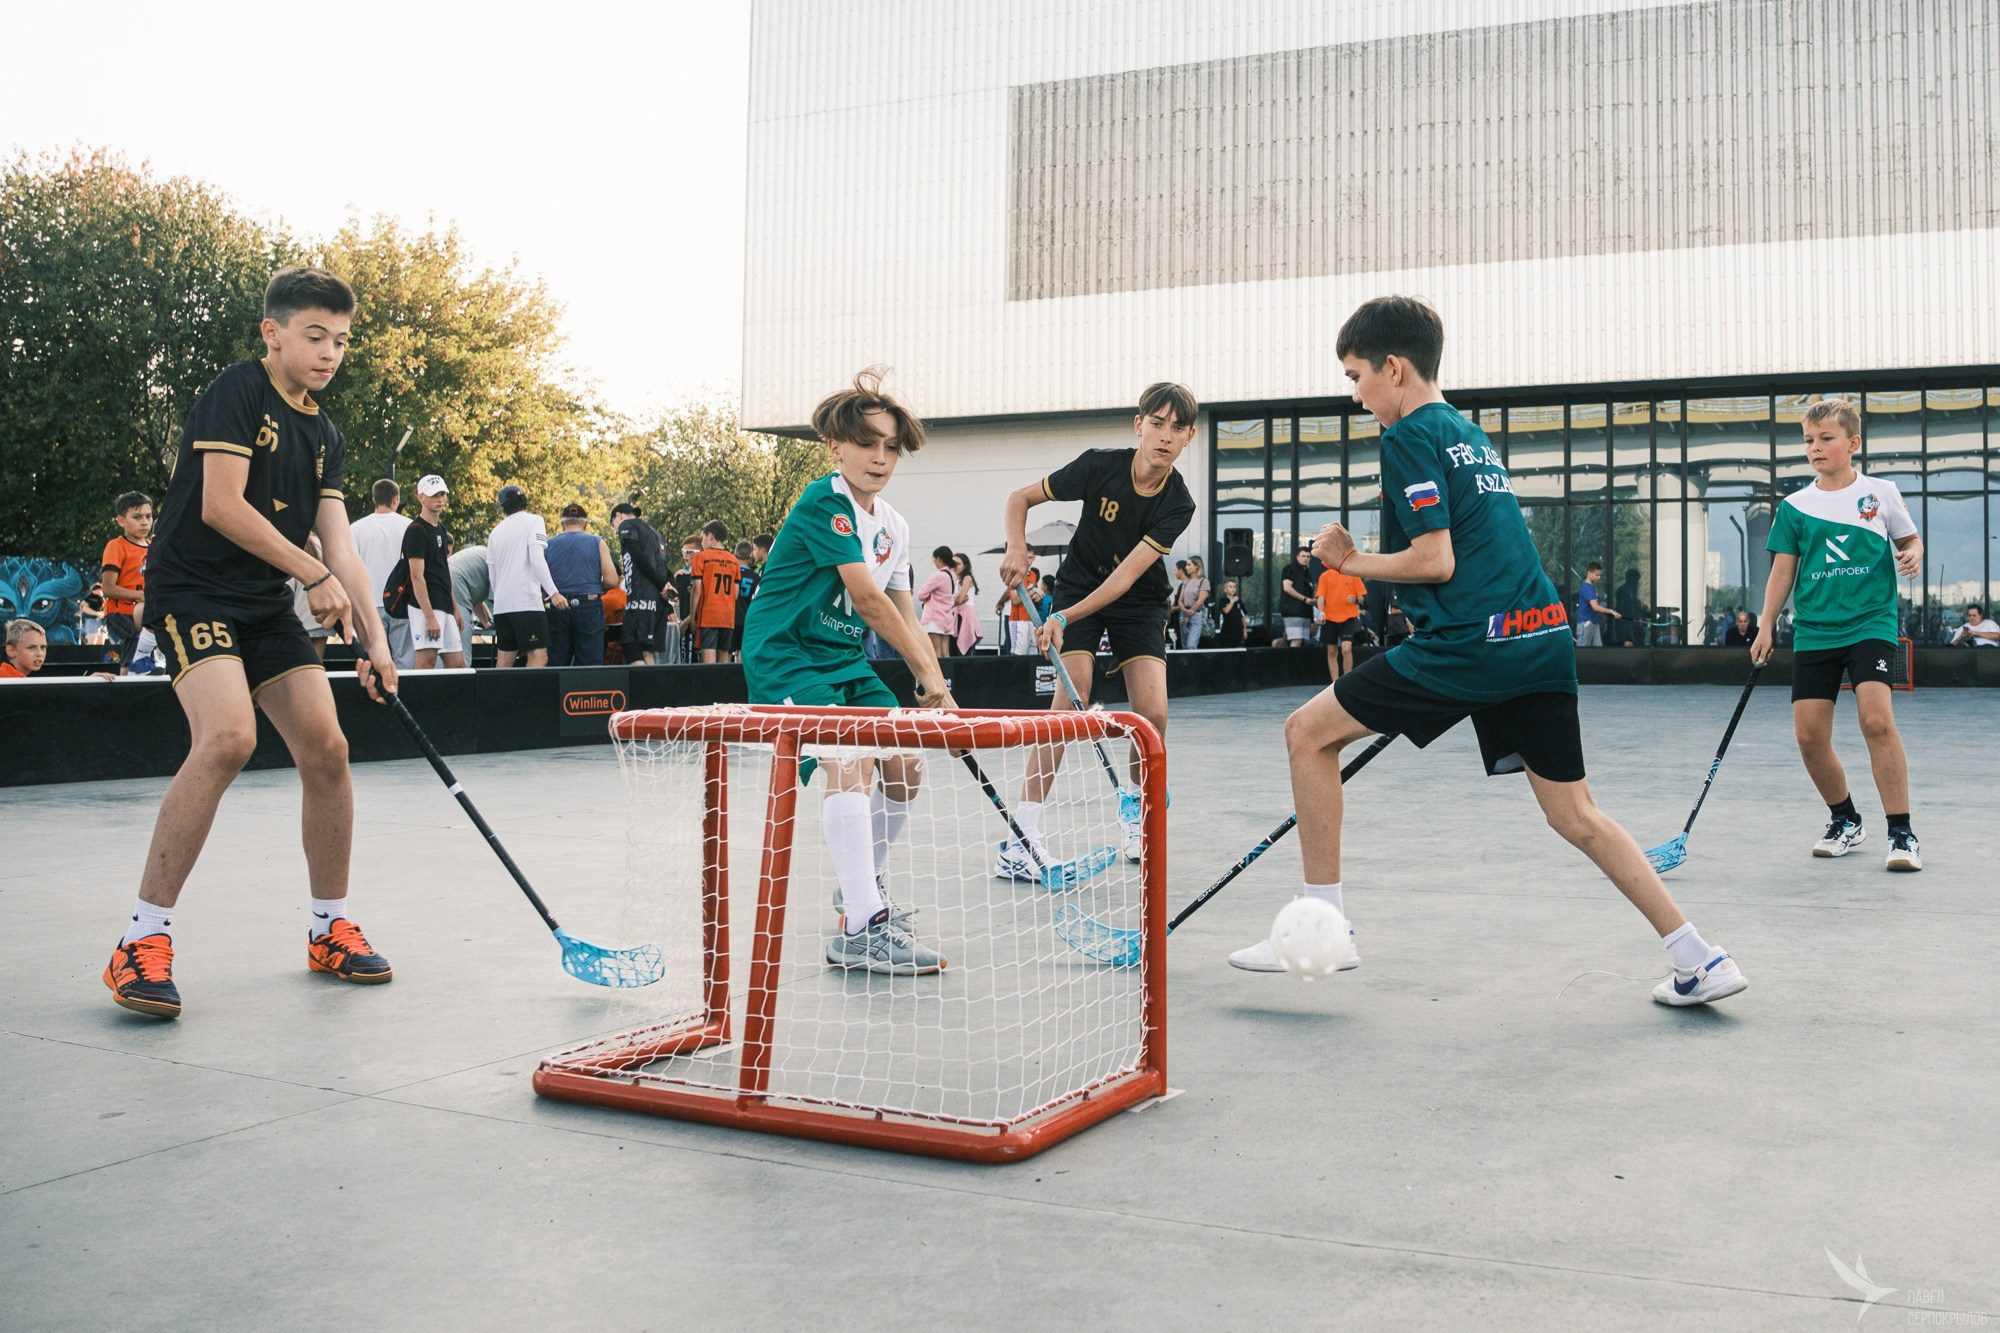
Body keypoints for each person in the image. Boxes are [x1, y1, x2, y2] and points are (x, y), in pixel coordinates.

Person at [1229, 295, 1745, 1006]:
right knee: (1576, 814)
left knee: (1306, 733)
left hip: (1472, 646)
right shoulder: (1468, 433)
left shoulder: (1408, 435)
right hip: (1540, 639)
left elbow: (1435, 560)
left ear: (1395, 368)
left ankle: (1325, 927)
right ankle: (1700, 956)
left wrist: (1349, 561)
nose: (1356, 395)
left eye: (1357, 377)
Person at [103, 265, 397, 1020]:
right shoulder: (237, 390)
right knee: (228, 736)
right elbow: (221, 505)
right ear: (273, 333)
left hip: (263, 604)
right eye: (314, 336)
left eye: (340, 340)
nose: (330, 353)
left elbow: (342, 545)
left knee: (327, 750)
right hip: (194, 589)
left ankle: (329, 927)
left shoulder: (325, 434)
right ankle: (141, 938)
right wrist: (311, 574)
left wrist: (376, 641)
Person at [740, 368, 956, 974]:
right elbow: (868, 601)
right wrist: (929, 677)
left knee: (906, 766)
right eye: (867, 443)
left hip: (842, 658)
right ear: (836, 446)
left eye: (890, 447)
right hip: (786, 655)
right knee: (850, 759)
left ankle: (860, 887)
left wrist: (933, 683)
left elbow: (906, 610)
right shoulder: (822, 502)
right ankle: (862, 929)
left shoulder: (894, 525)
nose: (880, 457)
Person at [996, 382, 1198, 870]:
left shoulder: (1178, 503)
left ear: (1189, 437)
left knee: (1153, 714)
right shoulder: (1098, 465)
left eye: (1177, 428)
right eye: (1156, 423)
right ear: (1139, 425)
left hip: (1139, 601)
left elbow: (1128, 575)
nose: (1165, 436)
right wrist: (1016, 546)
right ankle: (1019, 840)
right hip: (1079, 583)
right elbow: (1018, 498)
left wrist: (1063, 616)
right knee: (1070, 698)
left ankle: (1134, 816)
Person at [1752, 397, 1924, 872]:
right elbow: (1782, 573)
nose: (1815, 448)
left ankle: (1902, 834)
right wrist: (1766, 624)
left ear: (1853, 443)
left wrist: (1913, 553)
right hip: (1814, 632)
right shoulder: (1794, 507)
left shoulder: (1882, 494)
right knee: (1809, 737)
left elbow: (1909, 539)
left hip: (1870, 623)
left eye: (1826, 439)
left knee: (1876, 721)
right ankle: (1845, 819)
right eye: (1809, 440)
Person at [486, 485, 565, 668]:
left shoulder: (495, 532)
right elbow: (537, 559)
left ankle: (499, 697)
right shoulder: (534, 521)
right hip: (526, 603)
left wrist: (499, 599)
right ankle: (530, 697)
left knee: (504, 661)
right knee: (538, 657)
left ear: (503, 506)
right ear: (525, 501)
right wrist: (553, 593)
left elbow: (493, 573)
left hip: (502, 606)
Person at [347, 478, 413, 670]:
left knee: (373, 659)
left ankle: (377, 696)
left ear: (373, 499)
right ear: (396, 499)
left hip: (369, 602)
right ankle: (404, 696)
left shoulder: (357, 528)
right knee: (405, 658)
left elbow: (350, 565)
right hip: (402, 601)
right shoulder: (409, 526)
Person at [401, 475, 464, 670]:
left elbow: (444, 571)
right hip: (425, 606)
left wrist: (454, 607)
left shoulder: (441, 530)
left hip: (443, 603)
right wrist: (428, 616)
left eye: (442, 494)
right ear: (421, 497)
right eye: (434, 495)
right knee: (426, 661)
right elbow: (416, 576)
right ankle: (417, 701)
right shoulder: (416, 530)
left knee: (457, 664)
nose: (440, 499)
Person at [545, 503, 619, 666]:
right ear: (585, 523)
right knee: (589, 663)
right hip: (589, 606)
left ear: (562, 524)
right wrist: (593, 585)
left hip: (556, 606)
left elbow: (541, 582)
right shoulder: (597, 542)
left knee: (556, 661)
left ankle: (555, 692)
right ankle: (588, 691)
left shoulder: (547, 544)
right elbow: (612, 580)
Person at [611, 504, 673, 666]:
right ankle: (653, 689)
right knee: (647, 651)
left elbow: (637, 557)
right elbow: (665, 567)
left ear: (618, 516)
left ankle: (642, 690)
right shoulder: (654, 532)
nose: (615, 531)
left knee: (631, 647)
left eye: (613, 525)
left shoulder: (627, 525)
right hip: (659, 601)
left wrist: (662, 586)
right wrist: (668, 586)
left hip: (641, 596)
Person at [100, 491, 153, 670]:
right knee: (155, 611)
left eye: (148, 516)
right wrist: (142, 595)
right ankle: (145, 658)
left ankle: (132, 672)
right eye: (137, 517)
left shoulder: (155, 548)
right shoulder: (117, 546)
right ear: (121, 521)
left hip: (143, 613)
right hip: (119, 613)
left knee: (136, 643)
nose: (145, 522)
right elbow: (107, 588)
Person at [684, 520, 739, 664]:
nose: (702, 543)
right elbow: (736, 593)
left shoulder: (701, 558)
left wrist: (693, 618)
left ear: (710, 536)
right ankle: (722, 687)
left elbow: (696, 590)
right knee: (723, 660)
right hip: (727, 617)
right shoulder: (734, 560)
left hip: (709, 615)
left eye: (702, 538)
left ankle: (709, 687)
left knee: (708, 662)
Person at [1315, 557, 1366, 679]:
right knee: (1332, 650)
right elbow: (1320, 597)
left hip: (1348, 617)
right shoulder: (1325, 576)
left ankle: (1346, 680)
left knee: (1346, 648)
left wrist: (1356, 599)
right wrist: (1321, 612)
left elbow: (1362, 598)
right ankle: (1334, 682)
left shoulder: (1354, 575)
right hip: (1330, 617)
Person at [286, 535, 333, 660]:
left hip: (290, 623)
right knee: (315, 666)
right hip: (318, 619)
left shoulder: (284, 545)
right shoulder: (318, 544)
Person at [447, 543, 492, 651]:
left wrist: (486, 623)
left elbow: (477, 600)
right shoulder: (493, 560)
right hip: (456, 587)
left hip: (442, 581)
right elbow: (498, 596)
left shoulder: (478, 556)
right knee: (461, 644)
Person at [916, 545, 957, 658]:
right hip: (947, 616)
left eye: (934, 559)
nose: (934, 562)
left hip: (934, 618)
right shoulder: (952, 575)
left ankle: (937, 676)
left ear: (939, 559)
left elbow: (921, 595)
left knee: (935, 651)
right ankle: (947, 675)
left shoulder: (938, 576)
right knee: (945, 651)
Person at [1574, 561, 1620, 647]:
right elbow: (1595, 607)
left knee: (1598, 648)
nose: (1598, 577)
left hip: (1594, 622)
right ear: (1589, 573)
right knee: (1582, 649)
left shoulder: (1592, 587)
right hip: (1586, 623)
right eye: (1596, 575)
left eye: (1599, 575)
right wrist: (1611, 612)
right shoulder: (1586, 588)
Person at [1276, 545, 1314, 646]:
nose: (1306, 559)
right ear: (1297, 557)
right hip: (1292, 610)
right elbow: (1287, 588)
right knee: (1296, 639)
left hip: (1305, 611)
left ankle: (1296, 660)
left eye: (1308, 557)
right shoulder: (1290, 569)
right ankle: (1292, 660)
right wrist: (1304, 599)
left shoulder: (1307, 573)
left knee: (1302, 640)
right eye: (1303, 556)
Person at [997, 568, 1040, 655]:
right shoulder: (1014, 571)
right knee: (1014, 645)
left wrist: (1036, 593)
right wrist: (1000, 602)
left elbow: (1008, 593)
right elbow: (1011, 594)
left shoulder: (1031, 575)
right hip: (1013, 615)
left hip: (1026, 616)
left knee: (1030, 648)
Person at [732, 539, 759, 662]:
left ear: (735, 555)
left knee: (727, 652)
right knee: (743, 653)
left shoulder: (731, 573)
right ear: (750, 556)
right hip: (747, 619)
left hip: (731, 619)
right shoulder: (756, 577)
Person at [950, 551, 982, 655]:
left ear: (965, 566)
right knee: (953, 648)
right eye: (952, 563)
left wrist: (948, 602)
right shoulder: (950, 578)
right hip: (953, 614)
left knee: (964, 649)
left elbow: (960, 599)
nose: (954, 566)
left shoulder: (967, 578)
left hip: (965, 616)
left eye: (958, 564)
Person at [1177, 555, 1212, 649]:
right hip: (1184, 614)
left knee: (1191, 645)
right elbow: (1180, 600)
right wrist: (1184, 610)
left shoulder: (1204, 581)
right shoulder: (1187, 582)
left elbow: (1200, 601)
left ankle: (1194, 663)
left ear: (1197, 566)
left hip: (1195, 615)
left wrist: (1189, 614)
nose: (1186, 567)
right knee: (1184, 646)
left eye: (1189, 565)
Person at [1612, 568, 1644, 646]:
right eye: (1636, 580)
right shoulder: (1624, 591)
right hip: (1625, 623)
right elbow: (1626, 609)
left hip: (1628, 622)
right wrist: (1634, 618)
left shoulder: (1630, 592)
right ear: (1630, 579)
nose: (1637, 583)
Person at [1213, 578, 1247, 647]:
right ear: (1225, 589)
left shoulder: (1239, 602)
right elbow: (1226, 611)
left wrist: (1245, 630)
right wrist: (1232, 601)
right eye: (1230, 587)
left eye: (1234, 587)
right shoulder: (1222, 601)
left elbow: (1243, 616)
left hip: (1238, 632)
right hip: (1226, 633)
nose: (1233, 589)